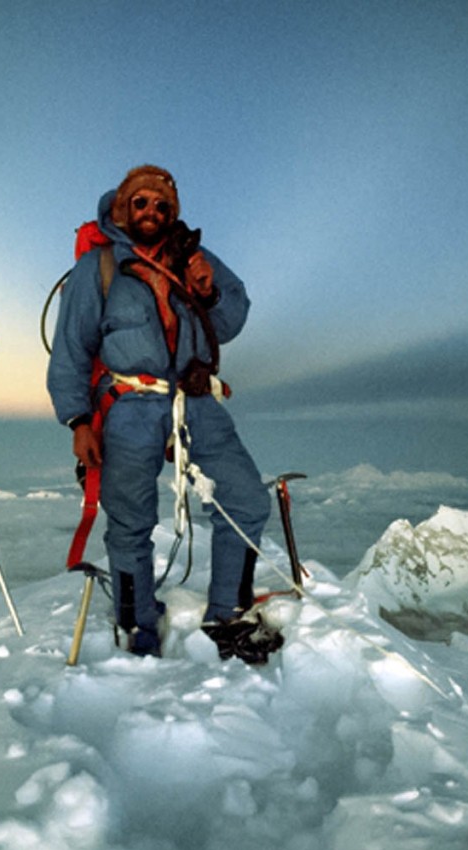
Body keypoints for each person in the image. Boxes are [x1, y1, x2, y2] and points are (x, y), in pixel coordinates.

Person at [47, 165, 281, 663]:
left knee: (244, 500)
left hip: (196, 399)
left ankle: (228, 614)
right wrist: (78, 421)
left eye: (161, 205)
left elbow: (232, 319)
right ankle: (138, 624)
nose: (151, 211)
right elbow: (70, 347)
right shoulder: (100, 266)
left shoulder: (193, 256)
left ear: (172, 211)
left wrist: (209, 290)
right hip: (129, 404)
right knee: (129, 518)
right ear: (122, 208)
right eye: (141, 203)